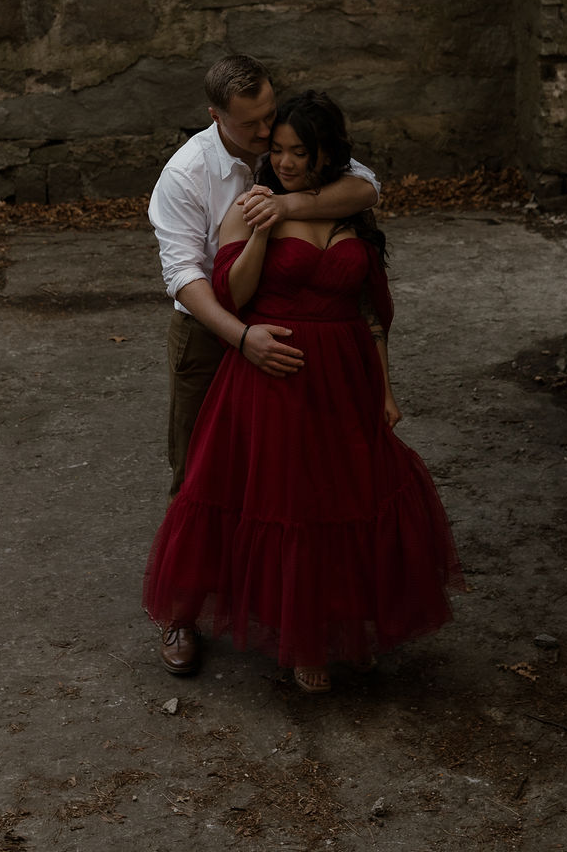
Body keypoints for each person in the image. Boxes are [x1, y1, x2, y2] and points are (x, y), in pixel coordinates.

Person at [143, 90, 463, 694]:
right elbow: (197, 278)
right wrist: (260, 253)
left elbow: (372, 310)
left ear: (323, 155)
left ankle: (345, 626)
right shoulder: (200, 179)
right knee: (225, 482)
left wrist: (386, 390)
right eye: (271, 140)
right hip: (253, 357)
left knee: (344, 496)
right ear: (219, 116)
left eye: (295, 148)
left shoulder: (347, 202)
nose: (279, 153)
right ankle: (200, 621)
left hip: (343, 375)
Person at [147, 55, 380, 676]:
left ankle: (292, 605)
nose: (266, 137)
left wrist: (290, 205)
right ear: (215, 116)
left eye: (270, 117)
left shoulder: (288, 142)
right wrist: (241, 335)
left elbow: (364, 187)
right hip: (210, 330)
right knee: (199, 472)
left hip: (293, 334)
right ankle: (180, 612)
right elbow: (184, 275)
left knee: (297, 477)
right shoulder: (186, 174)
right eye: (251, 126)